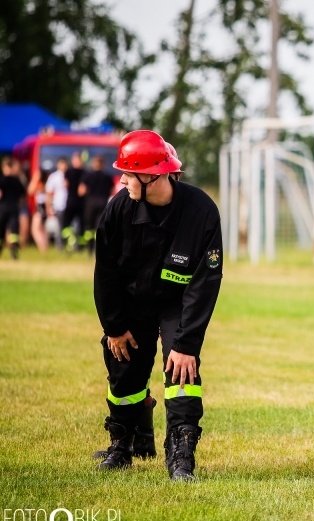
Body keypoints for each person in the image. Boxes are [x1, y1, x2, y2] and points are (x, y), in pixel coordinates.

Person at [93, 130, 223, 481]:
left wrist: (186, 343)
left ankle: (181, 456)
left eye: (128, 173)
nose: (121, 179)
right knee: (124, 373)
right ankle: (122, 444)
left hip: (178, 305)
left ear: (152, 175)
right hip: (132, 306)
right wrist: (114, 328)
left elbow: (205, 283)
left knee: (183, 371)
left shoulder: (202, 212)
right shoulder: (118, 209)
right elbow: (105, 275)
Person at [79, 155, 115, 256]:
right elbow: (112, 191)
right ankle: (99, 249)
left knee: (89, 227)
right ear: (103, 164)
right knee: (99, 227)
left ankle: (89, 250)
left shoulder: (88, 175)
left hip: (90, 204)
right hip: (103, 204)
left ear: (94, 163)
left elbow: (81, 191)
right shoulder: (108, 176)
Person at [0, 157, 28, 259]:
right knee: (14, 231)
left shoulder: (1, 180)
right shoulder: (17, 181)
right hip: (14, 208)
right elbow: (23, 196)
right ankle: (14, 253)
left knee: (1, 230)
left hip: (2, 208)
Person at [62, 152, 85, 253]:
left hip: (70, 201)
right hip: (81, 203)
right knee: (82, 226)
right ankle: (81, 247)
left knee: (65, 223)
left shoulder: (68, 171)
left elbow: (65, 185)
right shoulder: (85, 172)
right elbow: (82, 191)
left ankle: (69, 241)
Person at [45, 157, 70, 250]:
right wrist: (49, 206)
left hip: (68, 205)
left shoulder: (69, 175)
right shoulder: (54, 177)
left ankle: (69, 246)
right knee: (59, 228)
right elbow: (49, 193)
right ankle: (59, 247)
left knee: (68, 227)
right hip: (58, 205)